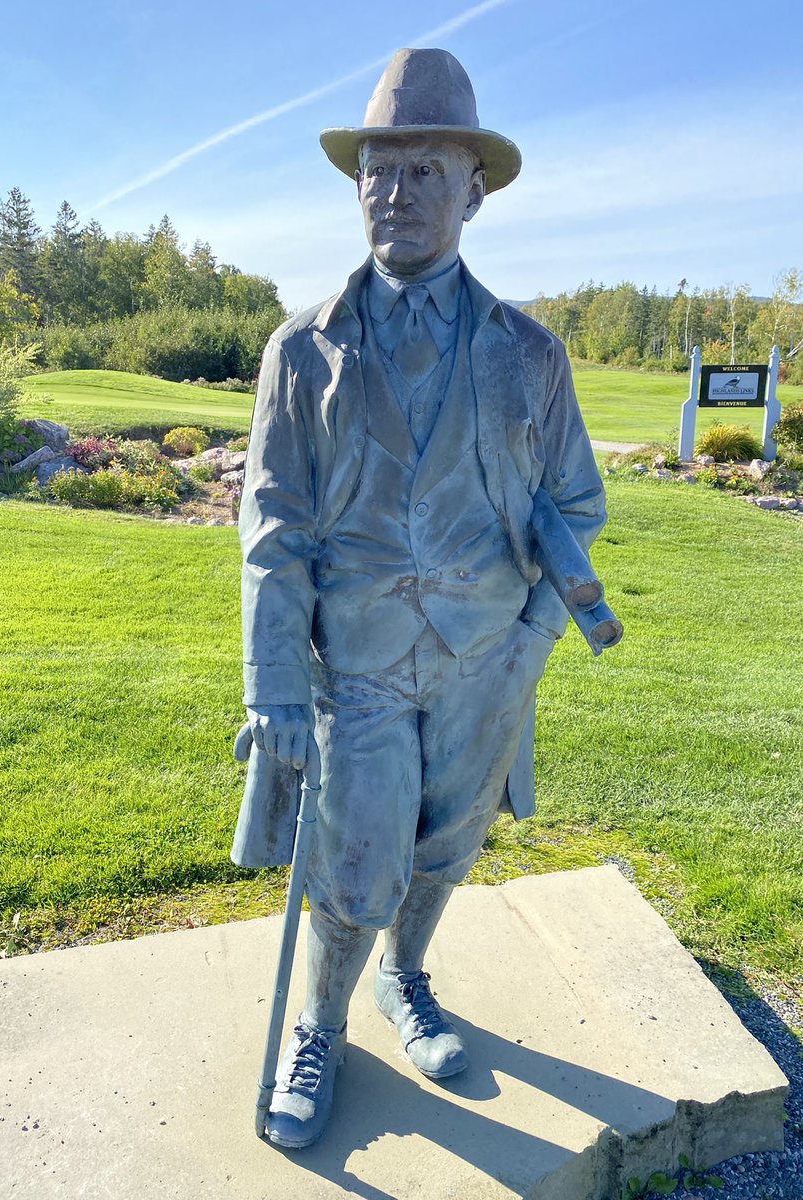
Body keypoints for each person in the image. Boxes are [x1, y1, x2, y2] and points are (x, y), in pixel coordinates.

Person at [233, 47, 607, 1149]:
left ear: (474, 191)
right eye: (378, 172)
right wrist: (273, 681)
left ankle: (407, 977)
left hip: (489, 657)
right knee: (356, 859)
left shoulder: (529, 354)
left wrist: (537, 636)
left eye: (425, 172)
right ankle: (319, 1023)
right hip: (357, 660)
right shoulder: (302, 350)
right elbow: (271, 528)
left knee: (447, 845)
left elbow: (576, 502)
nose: (394, 194)